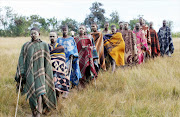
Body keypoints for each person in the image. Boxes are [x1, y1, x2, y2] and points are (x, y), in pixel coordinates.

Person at [15, 27, 57, 117]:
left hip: (41, 72)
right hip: (29, 73)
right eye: (31, 33)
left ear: (39, 34)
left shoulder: (44, 45)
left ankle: (39, 111)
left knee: (40, 92)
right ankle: (33, 111)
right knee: (31, 93)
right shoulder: (26, 45)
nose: (33, 35)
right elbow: (21, 58)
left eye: (35, 33)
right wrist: (21, 71)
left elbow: (47, 60)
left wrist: (48, 73)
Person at [48, 31, 69, 99]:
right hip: (49, 65)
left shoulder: (60, 47)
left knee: (60, 69)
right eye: (50, 36)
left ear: (57, 37)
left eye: (53, 36)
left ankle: (61, 89)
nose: (52, 38)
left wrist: (55, 62)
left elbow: (61, 58)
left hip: (60, 67)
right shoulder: (46, 46)